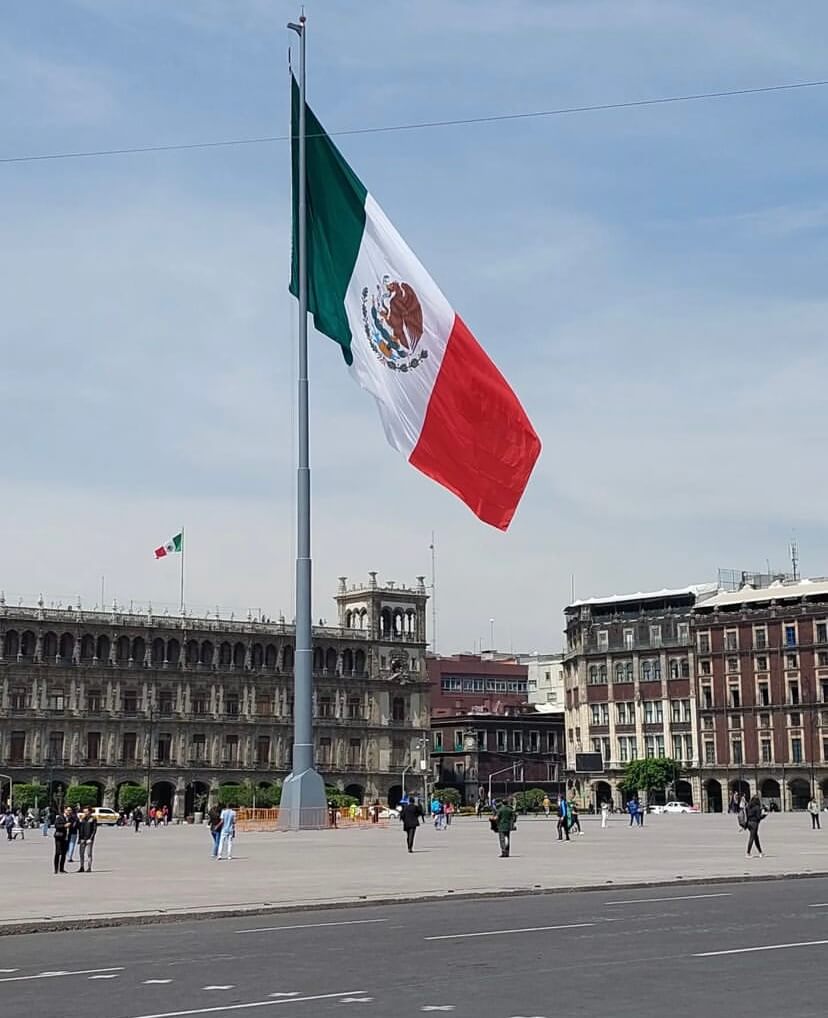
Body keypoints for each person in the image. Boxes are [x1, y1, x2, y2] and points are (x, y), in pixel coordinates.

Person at [77, 806, 97, 873]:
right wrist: (80, 839)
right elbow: (79, 829)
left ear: (90, 812)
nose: (85, 813)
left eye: (86, 811)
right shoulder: (82, 819)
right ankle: (81, 867)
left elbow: (94, 830)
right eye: (84, 812)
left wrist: (91, 839)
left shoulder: (93, 819)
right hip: (83, 838)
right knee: (81, 854)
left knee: (89, 853)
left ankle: (89, 867)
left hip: (89, 839)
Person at [53, 808, 69, 874]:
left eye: (70, 810)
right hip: (59, 837)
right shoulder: (60, 817)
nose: (69, 812)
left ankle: (62, 869)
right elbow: (56, 825)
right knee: (58, 853)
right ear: (65, 810)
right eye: (68, 810)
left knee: (64, 853)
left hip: (66, 837)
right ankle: (56, 869)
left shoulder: (71, 818)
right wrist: (64, 826)